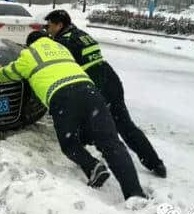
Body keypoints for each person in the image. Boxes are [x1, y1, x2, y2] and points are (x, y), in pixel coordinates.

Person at [0, 31, 146, 201]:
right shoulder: (62, 48)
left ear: (29, 44)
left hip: (62, 96)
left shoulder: (29, 53)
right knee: (111, 143)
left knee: (69, 143)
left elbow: (11, 72)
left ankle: (93, 166)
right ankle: (135, 193)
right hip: (90, 92)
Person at [44, 10, 167, 178]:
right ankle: (155, 163)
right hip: (111, 80)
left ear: (59, 25)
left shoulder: (63, 42)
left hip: (96, 85)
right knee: (125, 125)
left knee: (97, 127)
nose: (47, 29)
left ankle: (94, 160)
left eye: (49, 25)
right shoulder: (81, 34)